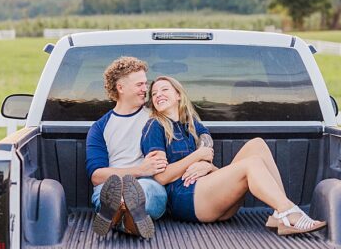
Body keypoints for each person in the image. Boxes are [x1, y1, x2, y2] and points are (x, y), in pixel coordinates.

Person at [140, 75, 327, 234]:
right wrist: (197, 157)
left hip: (210, 193)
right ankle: (288, 211)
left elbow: (207, 144)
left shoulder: (190, 123)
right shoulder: (154, 126)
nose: (159, 95)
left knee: (257, 145)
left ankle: (280, 214)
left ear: (178, 95)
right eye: (154, 93)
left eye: (164, 90)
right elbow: (161, 177)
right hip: (186, 197)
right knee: (251, 164)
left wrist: (208, 165)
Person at [86, 56, 169, 239]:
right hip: (111, 185)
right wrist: (139, 169)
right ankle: (129, 221)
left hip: (148, 184)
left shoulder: (155, 119)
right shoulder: (100, 127)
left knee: (146, 190)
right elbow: (97, 176)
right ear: (120, 88)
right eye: (139, 85)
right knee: (105, 193)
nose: (145, 90)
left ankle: (118, 216)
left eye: (145, 84)